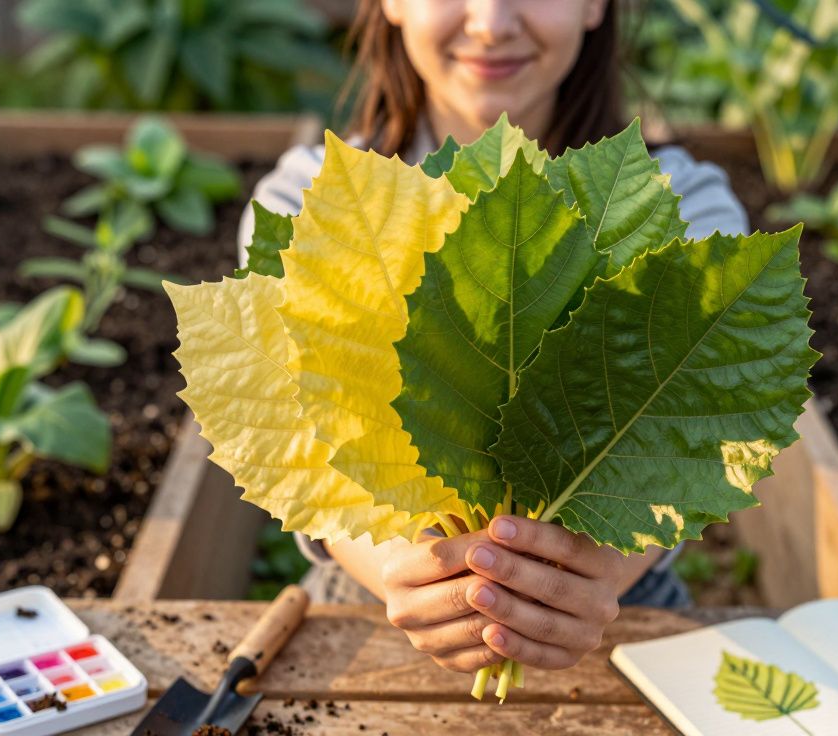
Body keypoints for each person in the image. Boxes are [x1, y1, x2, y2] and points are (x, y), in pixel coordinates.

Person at [237, 0, 749, 677]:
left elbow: (704, 431)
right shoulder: (309, 202)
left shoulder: (682, 206)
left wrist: (595, 576)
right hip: (376, 602)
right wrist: (401, 568)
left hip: (615, 606)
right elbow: (295, 436)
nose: (491, 22)